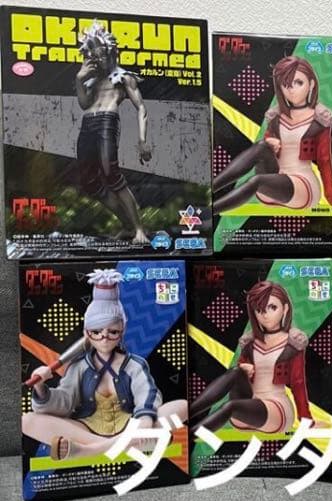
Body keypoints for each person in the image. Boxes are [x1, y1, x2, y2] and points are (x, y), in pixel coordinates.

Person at [22, 269, 187, 461]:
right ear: (87, 333)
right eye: (96, 332)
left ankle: (89, 450)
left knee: (181, 406)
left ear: (122, 331)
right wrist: (40, 387)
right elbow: (64, 404)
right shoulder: (78, 367)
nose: (104, 338)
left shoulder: (135, 364)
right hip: (87, 429)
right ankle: (129, 444)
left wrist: (143, 422)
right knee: (27, 420)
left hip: (130, 425)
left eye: (113, 332)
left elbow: (147, 395)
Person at [212, 56, 332, 212]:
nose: (292, 90)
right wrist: (270, 143)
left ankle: (207, 211)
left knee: (256, 180)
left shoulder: (320, 119)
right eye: (286, 85)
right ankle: (207, 190)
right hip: (274, 183)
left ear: (312, 84)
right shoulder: (276, 117)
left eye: (298, 82)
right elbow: (264, 152)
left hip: (302, 187)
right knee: (262, 146)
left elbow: (324, 160)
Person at [187, 281, 312, 434]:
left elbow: (298, 383)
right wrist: (244, 369)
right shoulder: (250, 343)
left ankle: (188, 436)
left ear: (285, 309)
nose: (265, 315)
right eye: (259, 310)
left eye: (272, 307)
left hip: (276, 410)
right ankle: (186, 414)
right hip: (247, 409)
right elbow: (237, 378)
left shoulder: (293, 344)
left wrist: (306, 419)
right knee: (235, 372)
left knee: (230, 406)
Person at [73, 23, 152, 244]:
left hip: (107, 121)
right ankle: (127, 226)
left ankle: (139, 230)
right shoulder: (92, 78)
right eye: (90, 51)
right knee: (89, 181)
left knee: (112, 175)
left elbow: (142, 108)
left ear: (110, 50)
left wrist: (142, 140)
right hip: (87, 123)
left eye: (98, 50)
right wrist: (79, 80)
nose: (94, 56)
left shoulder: (124, 77)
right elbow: (84, 104)